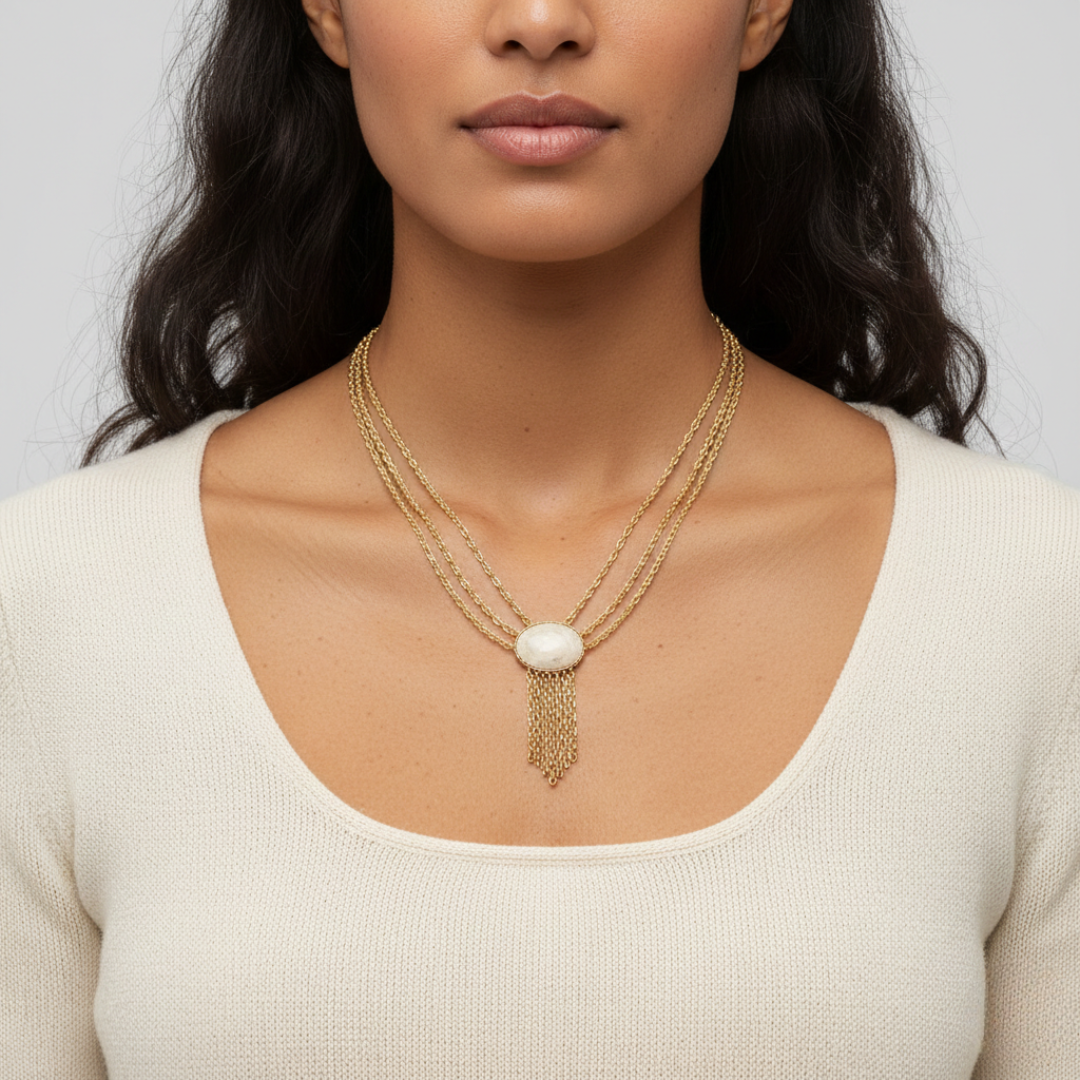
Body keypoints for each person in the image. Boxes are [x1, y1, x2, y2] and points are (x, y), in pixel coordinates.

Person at [2, 0, 1077, 1075]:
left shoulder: (1027, 596)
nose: (540, 21)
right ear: (325, 10)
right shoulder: (57, 604)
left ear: (762, 11)